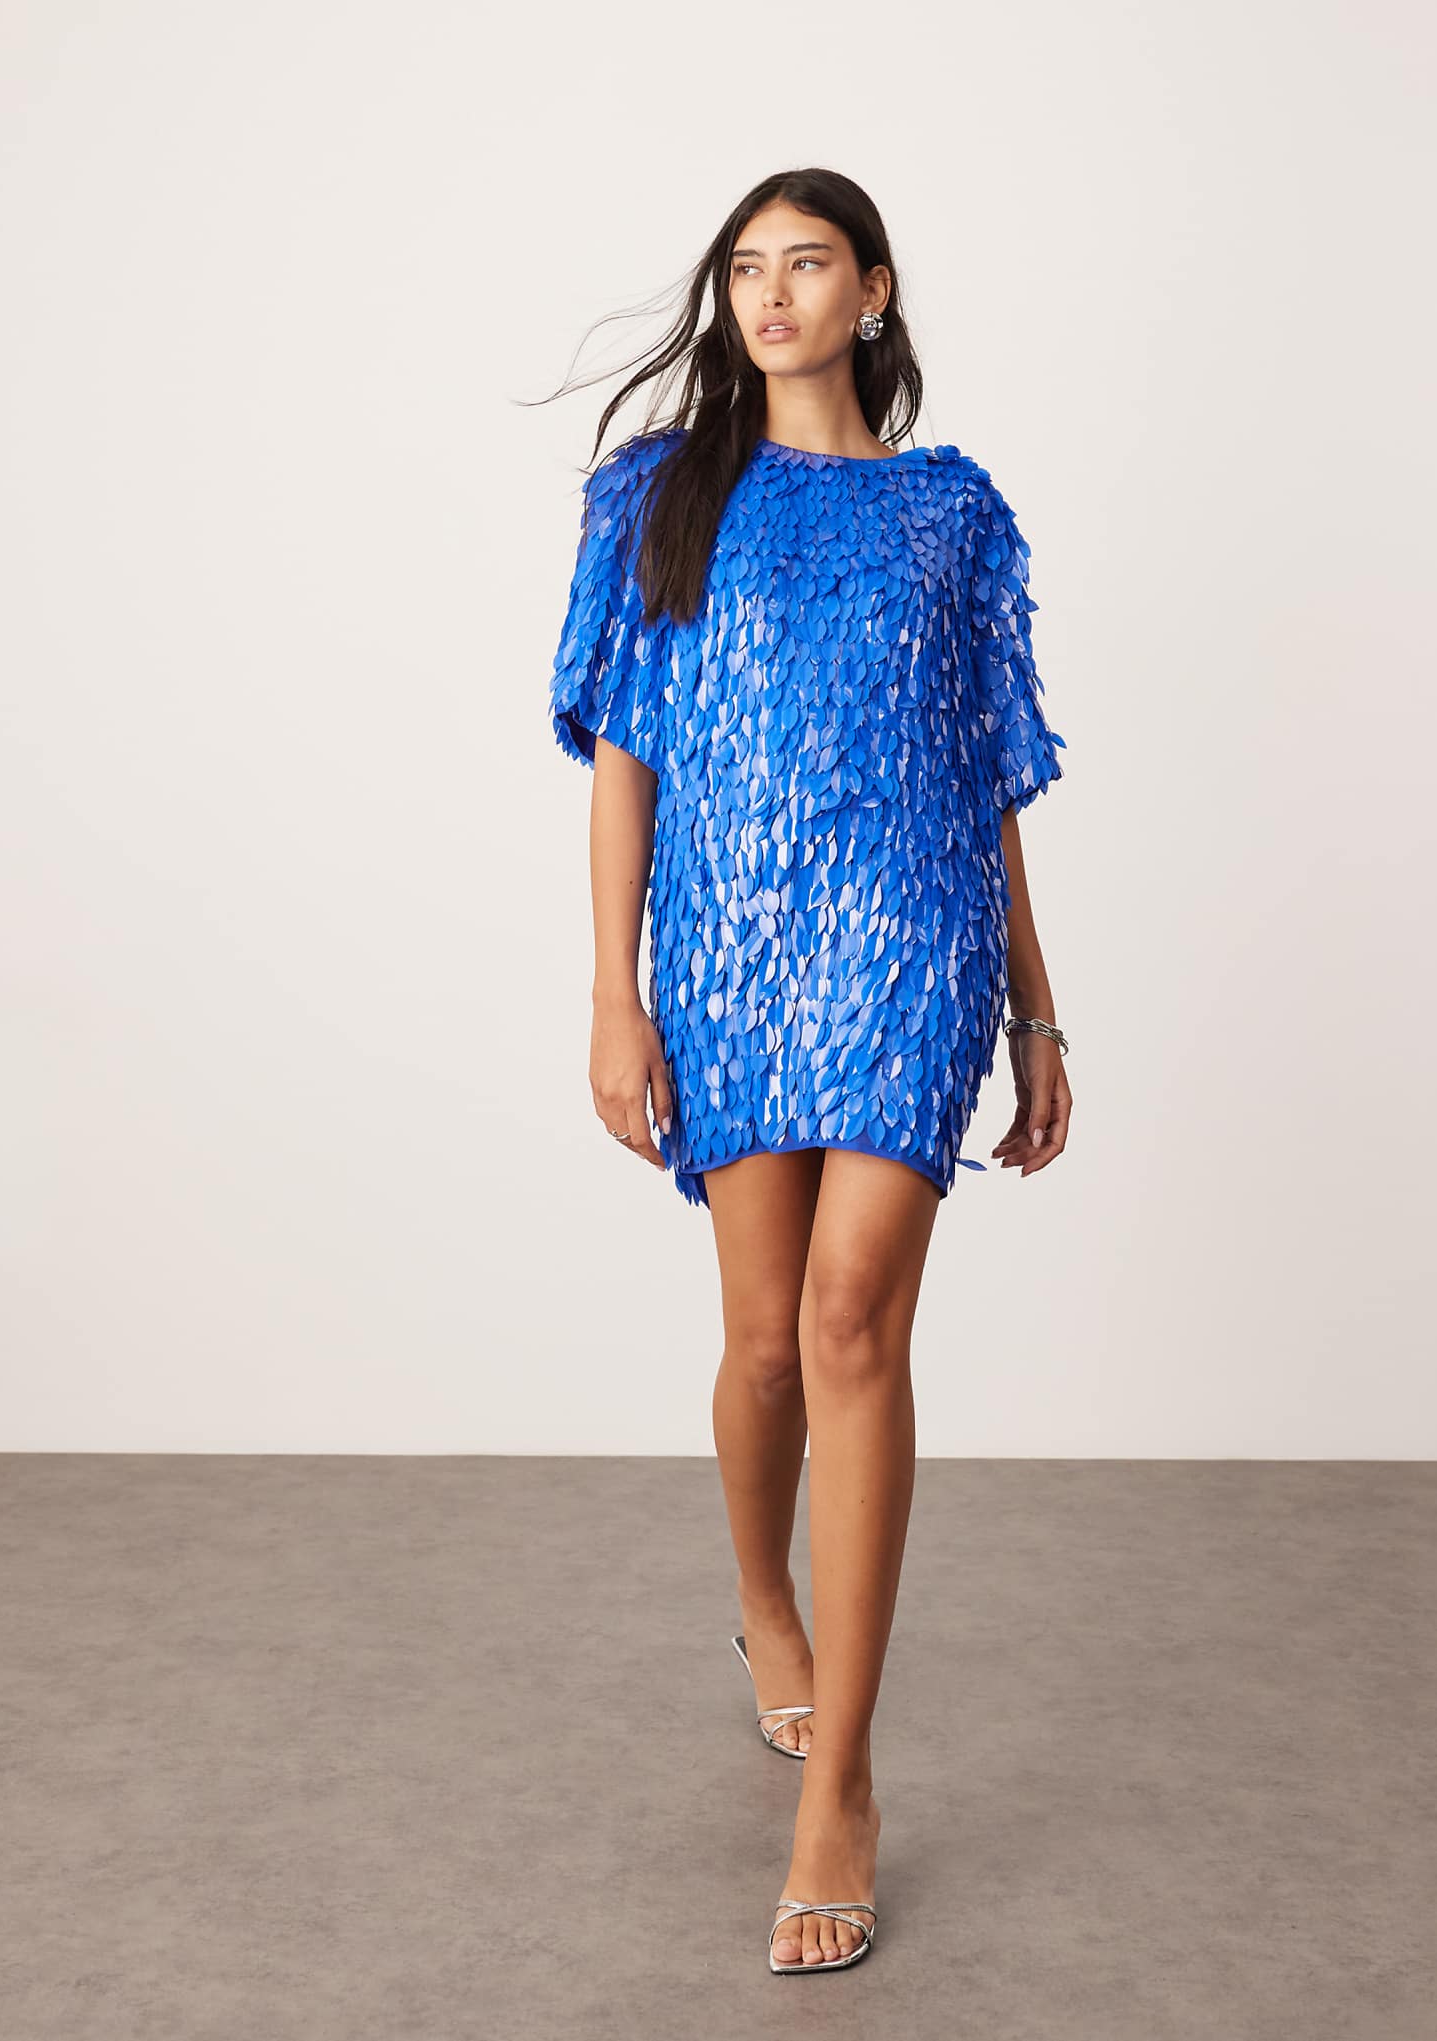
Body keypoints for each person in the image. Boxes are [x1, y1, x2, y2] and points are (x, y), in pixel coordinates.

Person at [544, 167, 1072, 1976]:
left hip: (912, 944)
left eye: (808, 264)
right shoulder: (658, 494)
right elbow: (625, 757)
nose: (770, 295)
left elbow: (988, 774)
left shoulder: (951, 512)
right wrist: (613, 996)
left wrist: (1037, 1010)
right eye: (747, 269)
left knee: (854, 1321)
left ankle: (840, 1783)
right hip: (731, 952)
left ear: (874, 291)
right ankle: (762, 1597)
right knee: (765, 1342)